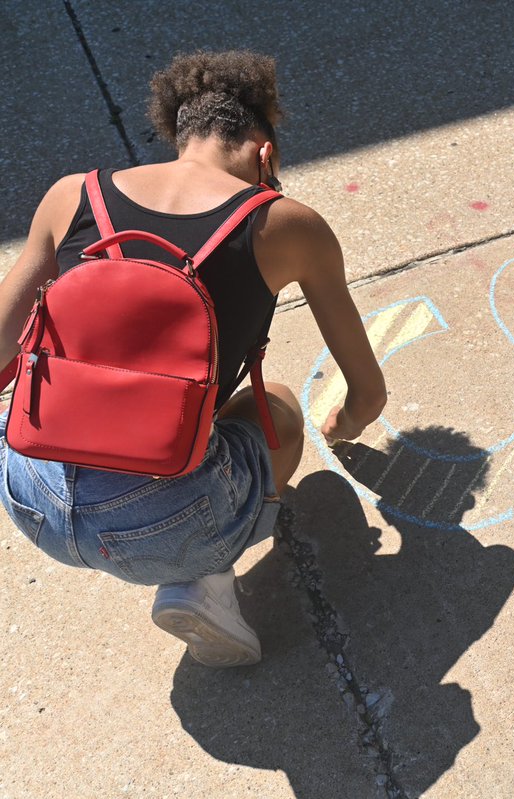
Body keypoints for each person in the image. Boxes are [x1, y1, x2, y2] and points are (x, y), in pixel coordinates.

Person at [0, 51, 386, 668]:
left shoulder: (74, 195)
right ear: (266, 155)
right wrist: (343, 426)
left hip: (31, 493)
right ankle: (203, 583)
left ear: (178, 137)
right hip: (164, 527)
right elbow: (368, 394)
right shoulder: (285, 225)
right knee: (278, 408)